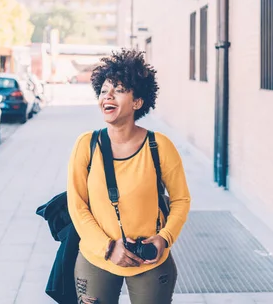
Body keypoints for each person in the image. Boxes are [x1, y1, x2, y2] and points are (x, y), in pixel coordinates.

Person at [67, 48, 191, 304]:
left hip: (150, 261)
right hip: (96, 258)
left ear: (137, 102)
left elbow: (181, 200)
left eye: (119, 90)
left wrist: (164, 239)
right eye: (103, 91)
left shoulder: (159, 146)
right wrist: (108, 248)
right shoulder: (86, 145)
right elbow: (77, 205)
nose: (107, 96)